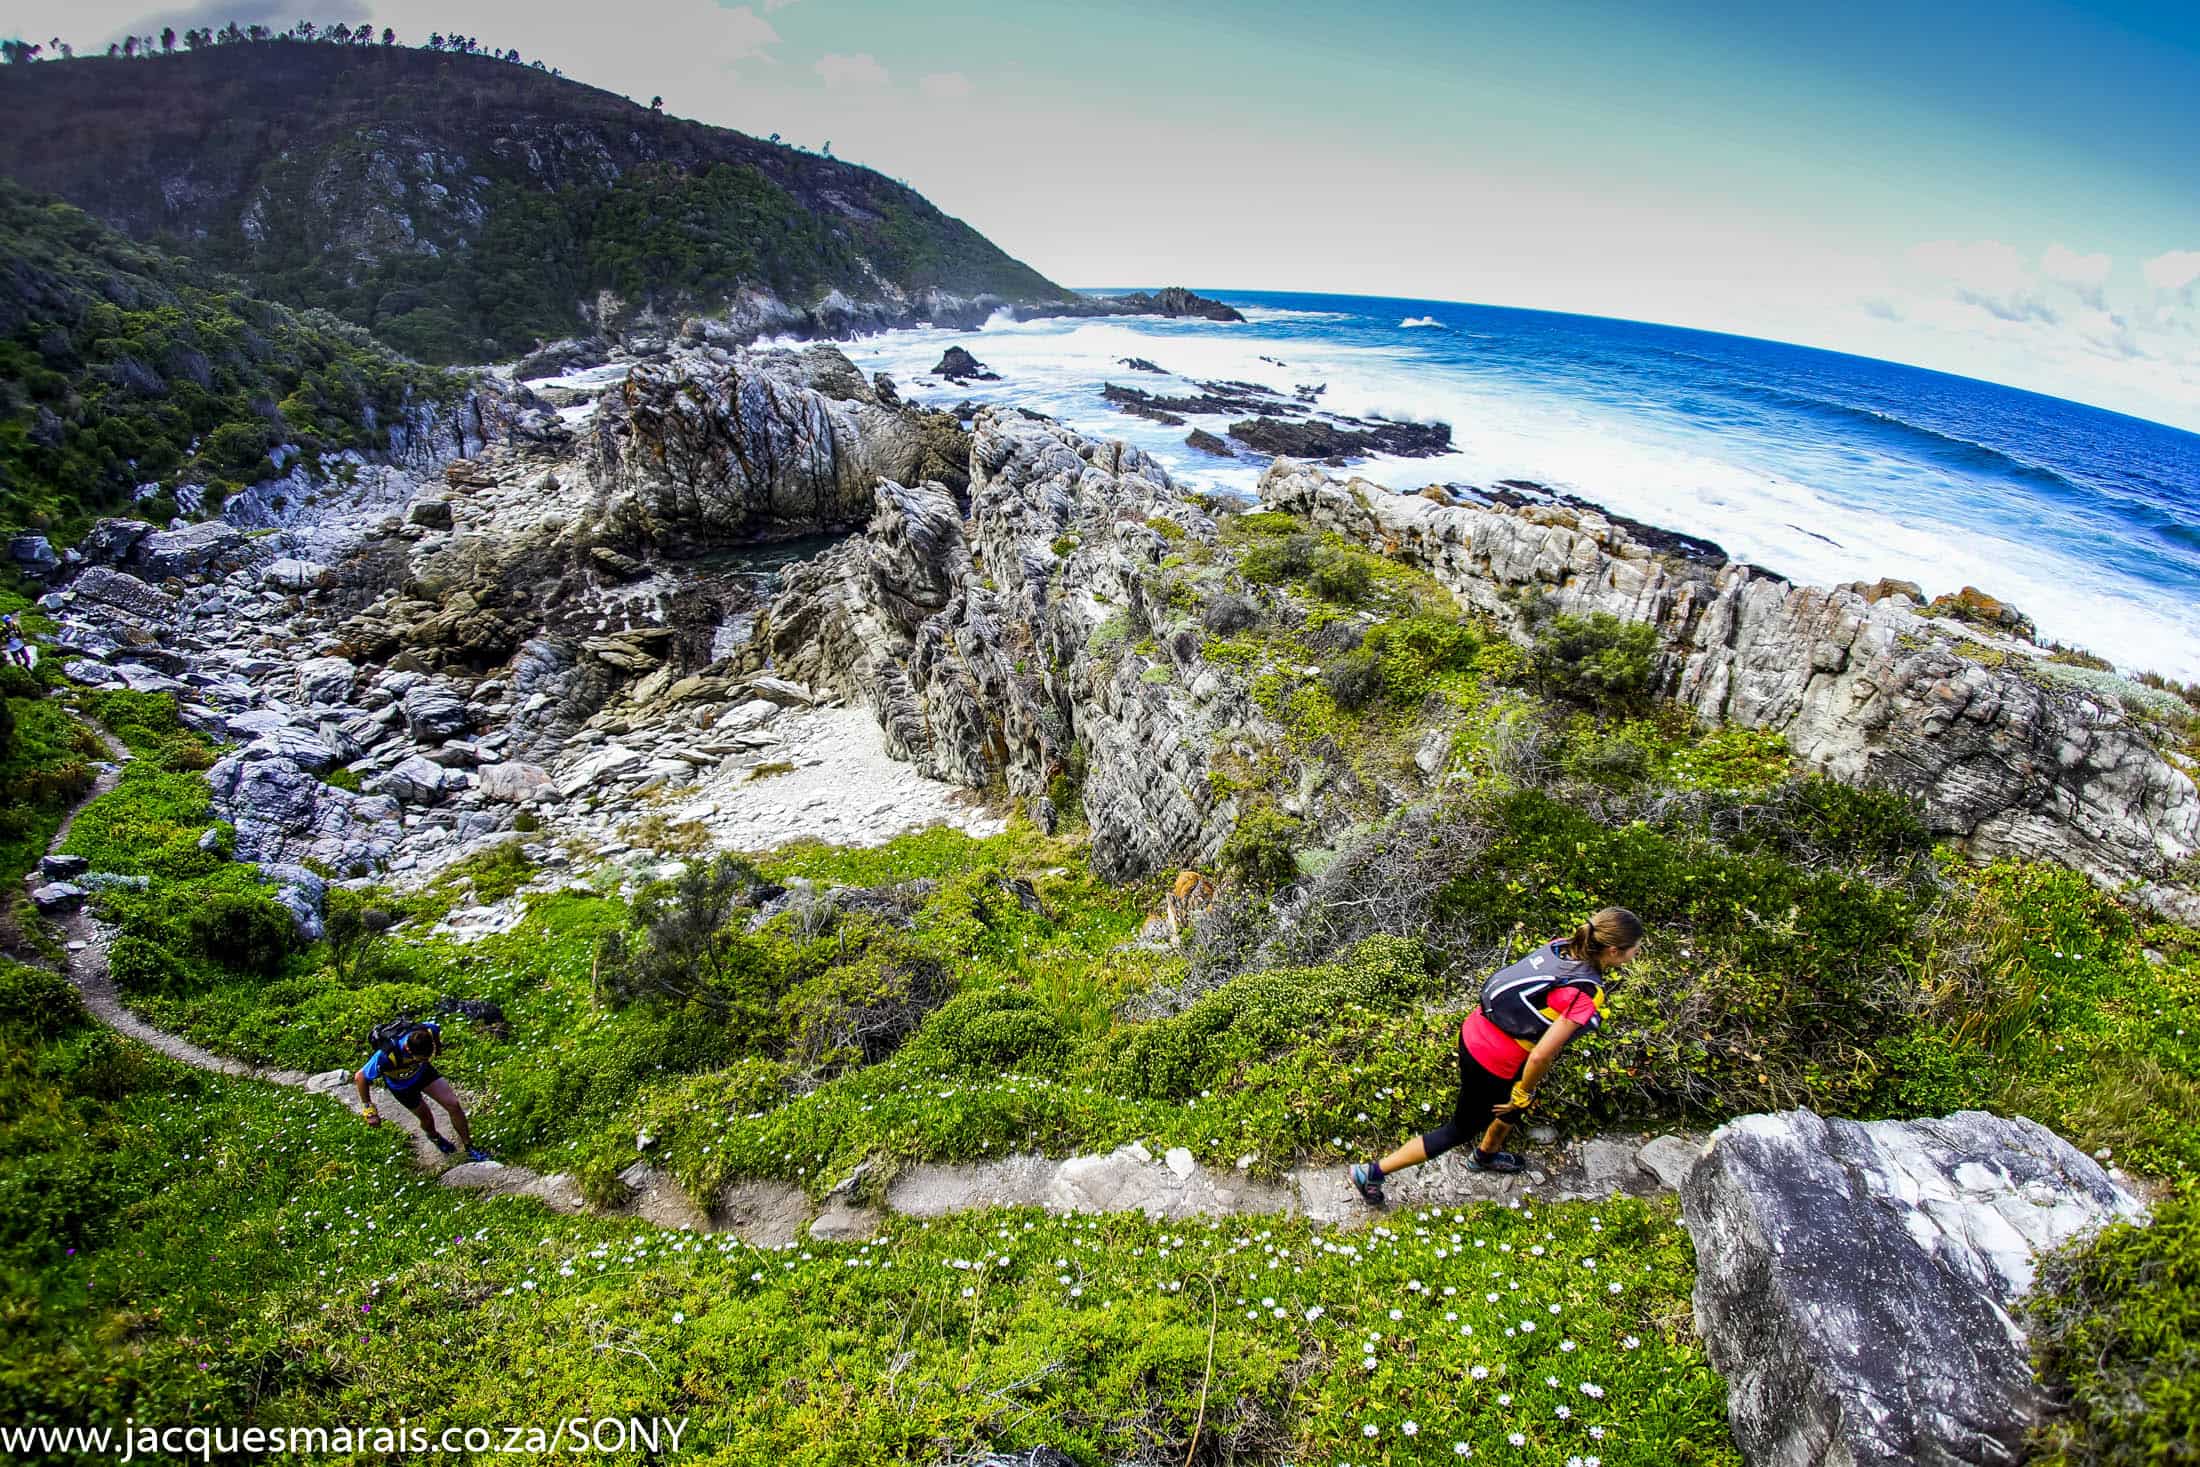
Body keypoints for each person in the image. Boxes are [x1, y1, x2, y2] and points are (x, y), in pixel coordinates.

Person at [1350, 907, 1643, 1205]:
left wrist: (1522, 1090)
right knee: (1461, 1128)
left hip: (1475, 1030)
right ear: (1613, 951)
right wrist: (1523, 1090)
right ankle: (1372, 1172)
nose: (1636, 954)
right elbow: (1542, 1055)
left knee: (1513, 1100)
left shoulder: (1561, 947)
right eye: (1635, 949)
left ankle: (1487, 1154)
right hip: (1495, 1060)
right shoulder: (1585, 991)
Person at [352, 1018, 488, 1161]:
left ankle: (469, 1146)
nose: (426, 1059)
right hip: (402, 1087)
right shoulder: (386, 1055)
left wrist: (438, 1046)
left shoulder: (422, 1031)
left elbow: (435, 1027)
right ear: (408, 1049)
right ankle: (435, 1137)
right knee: (426, 1118)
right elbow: (360, 1077)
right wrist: (369, 1110)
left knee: (453, 1104)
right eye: (422, 1058)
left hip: (423, 1074)